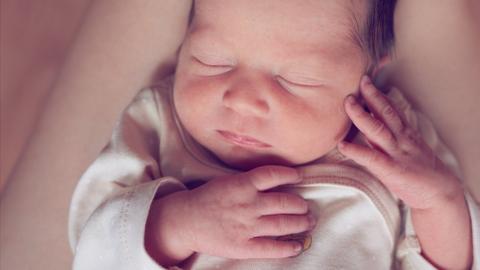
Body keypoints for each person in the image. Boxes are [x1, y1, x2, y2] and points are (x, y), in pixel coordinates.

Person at [68, 0, 478, 269]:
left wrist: (437, 200)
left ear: (369, 74)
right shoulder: (157, 123)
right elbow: (93, 246)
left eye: (297, 80)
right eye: (211, 61)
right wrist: (176, 225)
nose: (243, 101)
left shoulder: (389, 140)